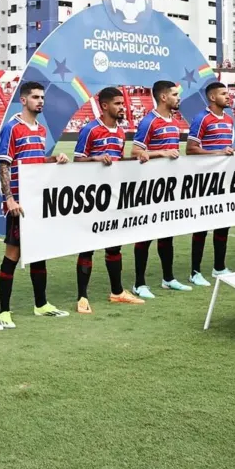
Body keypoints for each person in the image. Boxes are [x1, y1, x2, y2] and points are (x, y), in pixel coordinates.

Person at [0, 80, 70, 326]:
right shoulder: (12, 127)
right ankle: (3, 311)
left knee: (39, 252)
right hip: (19, 202)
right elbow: (4, 164)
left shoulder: (40, 130)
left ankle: (41, 304)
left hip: (37, 201)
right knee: (12, 255)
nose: (41, 101)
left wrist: (53, 159)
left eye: (42, 97)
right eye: (36, 97)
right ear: (24, 100)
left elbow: (34, 161)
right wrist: (9, 199)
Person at [72, 87, 145, 312]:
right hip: (92, 198)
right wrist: (94, 158)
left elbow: (117, 160)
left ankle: (117, 291)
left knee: (114, 246)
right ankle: (82, 297)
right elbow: (77, 160)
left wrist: (135, 160)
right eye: (117, 104)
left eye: (122, 104)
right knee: (87, 247)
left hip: (113, 197)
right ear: (104, 106)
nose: (122, 107)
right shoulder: (91, 130)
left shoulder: (121, 132)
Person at [130, 80, 189, 297]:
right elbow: (135, 152)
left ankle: (168, 278)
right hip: (149, 188)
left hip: (169, 187)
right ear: (163, 97)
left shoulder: (174, 121)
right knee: (145, 234)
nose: (178, 97)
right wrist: (161, 153)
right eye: (174, 94)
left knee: (167, 234)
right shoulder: (149, 121)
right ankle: (139, 283)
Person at [186, 81, 235, 282]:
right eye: (224, 93)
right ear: (212, 97)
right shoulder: (202, 118)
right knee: (202, 225)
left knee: (223, 224)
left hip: (223, 179)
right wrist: (218, 152)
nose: (228, 96)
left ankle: (219, 267)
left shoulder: (229, 120)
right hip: (205, 180)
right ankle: (195, 272)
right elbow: (191, 149)